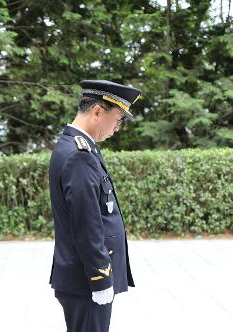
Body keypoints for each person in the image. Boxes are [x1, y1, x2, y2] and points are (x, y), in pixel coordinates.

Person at [49, 80, 140, 332]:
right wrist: (100, 278)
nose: (117, 128)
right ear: (97, 111)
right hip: (86, 279)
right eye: (118, 119)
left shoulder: (77, 146)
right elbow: (87, 225)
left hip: (81, 276)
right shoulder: (79, 154)